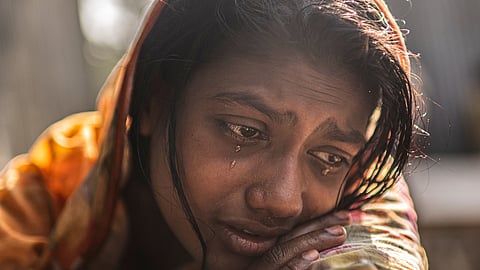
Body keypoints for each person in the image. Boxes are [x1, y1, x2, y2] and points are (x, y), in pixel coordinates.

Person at [0, 0, 428, 269]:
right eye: (245, 131)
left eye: (330, 157)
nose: (282, 200)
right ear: (150, 99)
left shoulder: (360, 201)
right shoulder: (38, 208)